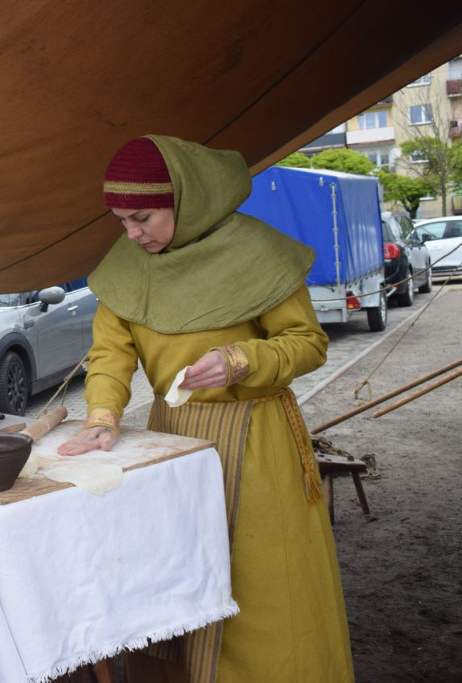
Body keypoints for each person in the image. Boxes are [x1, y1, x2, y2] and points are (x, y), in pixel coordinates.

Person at [58, 136, 354, 682]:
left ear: (185, 198)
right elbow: (109, 356)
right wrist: (102, 417)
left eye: (142, 217)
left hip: (258, 441)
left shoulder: (259, 251)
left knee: (262, 588)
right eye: (121, 221)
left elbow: (308, 341)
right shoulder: (127, 266)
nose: (131, 234)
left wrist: (242, 359)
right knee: (175, 582)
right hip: (172, 438)